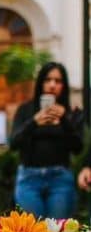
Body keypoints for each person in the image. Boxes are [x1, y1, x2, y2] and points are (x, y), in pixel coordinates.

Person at [9, 61, 83, 218]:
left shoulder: (71, 113)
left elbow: (78, 147)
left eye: (58, 81)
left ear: (64, 85)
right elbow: (14, 142)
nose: (52, 85)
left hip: (59, 179)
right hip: (29, 178)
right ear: (40, 83)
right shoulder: (26, 110)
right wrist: (34, 122)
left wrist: (64, 120)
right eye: (48, 80)